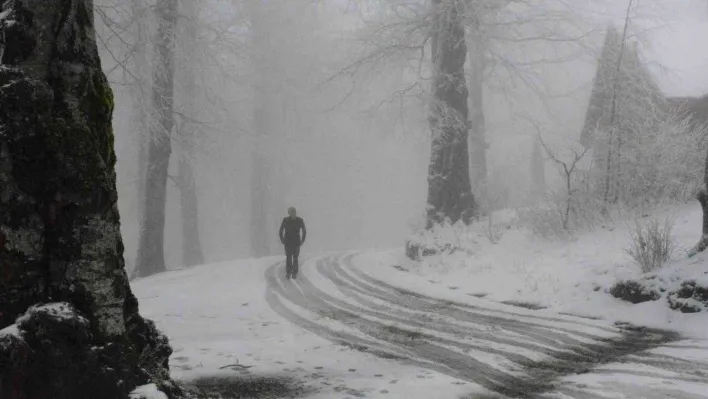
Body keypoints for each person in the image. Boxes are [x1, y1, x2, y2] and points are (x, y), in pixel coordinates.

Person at [279, 207, 306, 279]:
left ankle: (294, 273)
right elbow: (281, 231)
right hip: (288, 242)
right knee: (289, 257)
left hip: (296, 242)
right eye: (291, 212)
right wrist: (282, 240)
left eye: (294, 212)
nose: (293, 213)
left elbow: (304, 231)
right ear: (289, 213)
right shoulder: (285, 220)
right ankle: (289, 272)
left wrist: (302, 240)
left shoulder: (300, 220)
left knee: (295, 258)